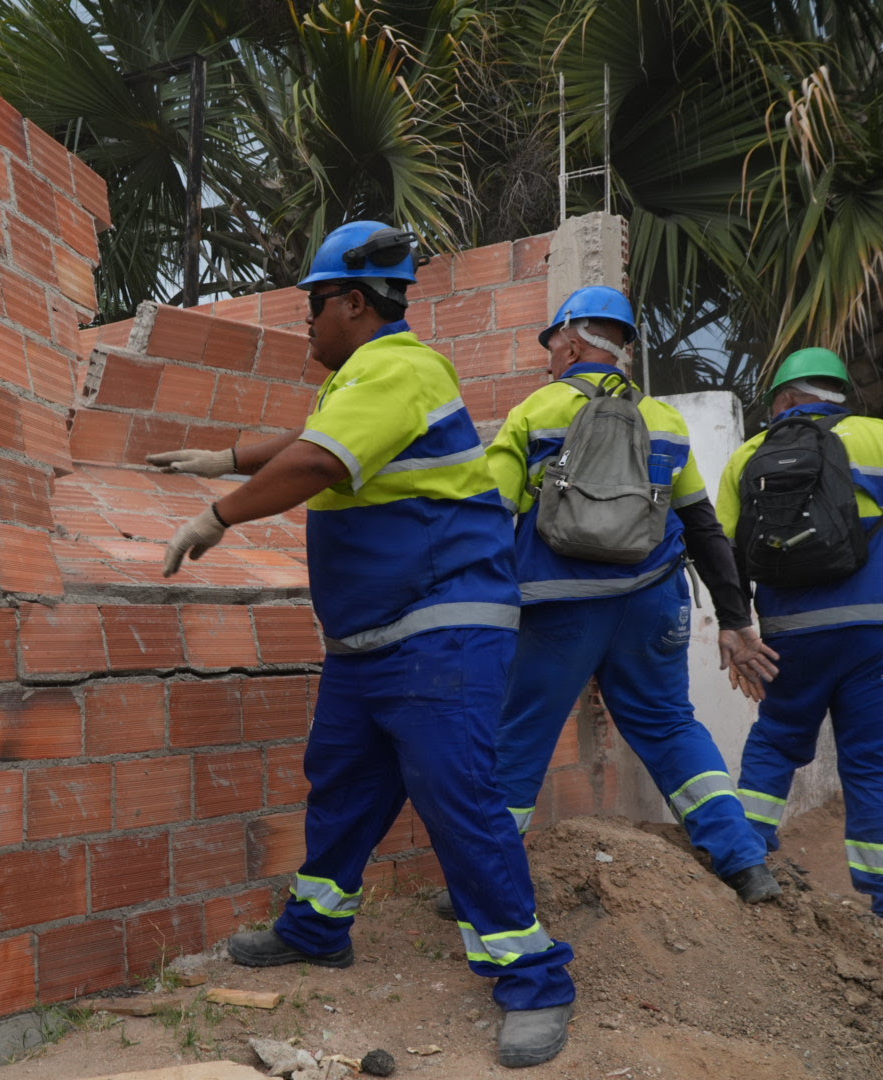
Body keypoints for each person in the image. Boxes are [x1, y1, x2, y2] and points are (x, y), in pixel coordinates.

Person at [150, 221, 576, 1069]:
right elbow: (305, 439)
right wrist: (220, 456)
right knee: (342, 782)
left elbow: (316, 462)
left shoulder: (401, 369)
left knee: (457, 799)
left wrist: (218, 516)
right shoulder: (363, 380)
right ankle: (317, 929)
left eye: (313, 305)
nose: (305, 321)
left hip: (440, 629)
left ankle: (534, 978)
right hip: (372, 639)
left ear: (353, 301)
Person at [432, 286, 782, 919]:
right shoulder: (664, 420)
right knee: (672, 725)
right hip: (653, 602)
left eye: (550, 345)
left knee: (519, 736)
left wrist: (466, 606)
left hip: (557, 605)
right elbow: (702, 526)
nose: (546, 358)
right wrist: (734, 620)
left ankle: (481, 883)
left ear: (572, 339)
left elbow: (487, 519)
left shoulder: (537, 411)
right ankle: (745, 862)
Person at [717, 348, 883, 942]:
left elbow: (722, 548)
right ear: (838, 394)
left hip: (790, 634)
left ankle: (746, 862)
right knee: (879, 766)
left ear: (783, 401)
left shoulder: (748, 456)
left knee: (777, 742)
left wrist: (735, 627)